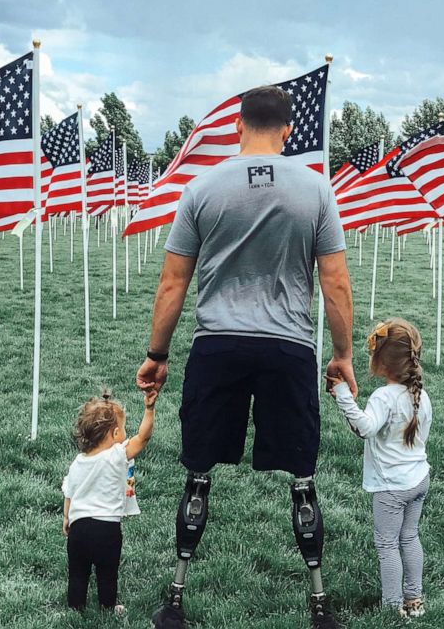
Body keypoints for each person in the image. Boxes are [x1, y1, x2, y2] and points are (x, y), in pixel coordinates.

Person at [137, 84, 356, 629]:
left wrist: (156, 354)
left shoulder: (202, 188)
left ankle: (176, 599)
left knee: (199, 471)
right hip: (288, 348)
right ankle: (319, 605)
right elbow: (335, 283)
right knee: (301, 475)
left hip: (218, 345)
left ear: (238, 125)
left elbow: (172, 282)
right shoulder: (316, 191)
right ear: (288, 131)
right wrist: (343, 354)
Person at [328, 319, 432, 619]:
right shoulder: (421, 396)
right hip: (418, 479)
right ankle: (415, 601)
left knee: (387, 544)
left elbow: (365, 428)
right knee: (410, 537)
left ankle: (391, 607)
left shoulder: (383, 398)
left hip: (392, 487)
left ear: (380, 360)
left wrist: (343, 396)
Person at [62, 387, 158, 616]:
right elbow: (143, 437)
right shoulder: (117, 455)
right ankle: (107, 606)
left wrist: (67, 517)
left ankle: (76, 607)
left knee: (78, 573)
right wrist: (149, 408)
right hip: (107, 528)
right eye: (123, 428)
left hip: (79, 528)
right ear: (115, 434)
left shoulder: (78, 462)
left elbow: (69, 492)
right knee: (107, 572)